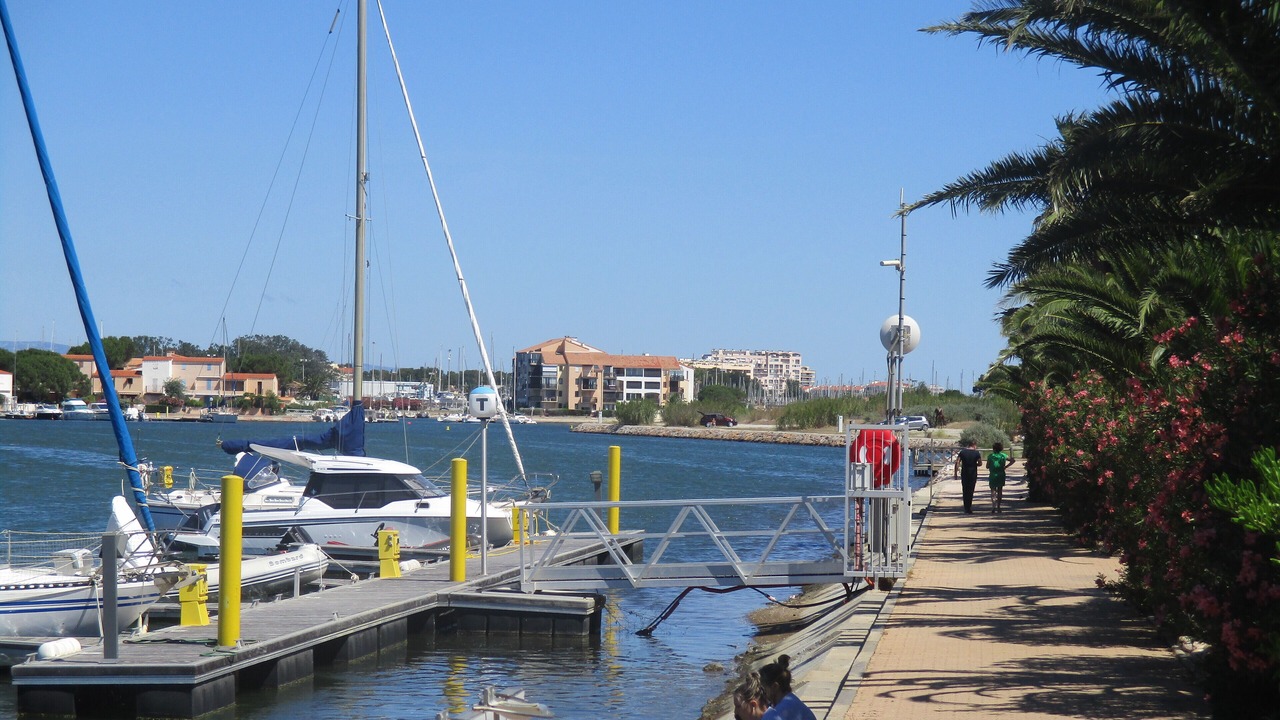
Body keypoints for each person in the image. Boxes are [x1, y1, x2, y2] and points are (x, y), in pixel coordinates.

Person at [757, 654, 816, 720]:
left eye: (764, 688)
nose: (762, 693)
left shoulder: (777, 713)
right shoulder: (791, 700)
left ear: (775, 687)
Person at [954, 439, 983, 514]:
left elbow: (957, 462)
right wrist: (974, 464)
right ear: (974, 445)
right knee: (970, 490)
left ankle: (965, 507)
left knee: (965, 489)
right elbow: (980, 463)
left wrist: (955, 473)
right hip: (973, 473)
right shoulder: (976, 453)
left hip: (964, 472)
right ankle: (969, 507)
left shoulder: (962, 452)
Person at [987, 441, 1010, 513]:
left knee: (993, 491)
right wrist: (1006, 466)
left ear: (993, 448)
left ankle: (993, 506)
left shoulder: (990, 456)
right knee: (1000, 490)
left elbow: (987, 466)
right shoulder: (1003, 455)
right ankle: (999, 507)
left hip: (993, 474)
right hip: (1001, 474)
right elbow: (1013, 460)